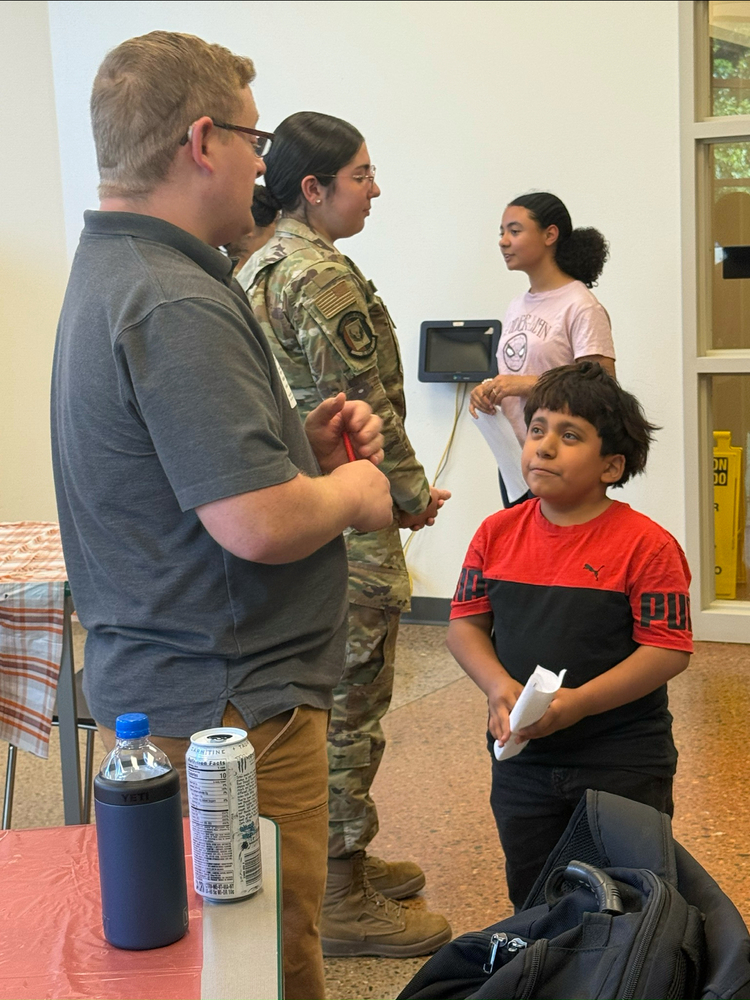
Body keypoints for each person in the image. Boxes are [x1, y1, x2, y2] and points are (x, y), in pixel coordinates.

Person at [50, 32, 393, 1000]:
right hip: (232, 705)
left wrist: (296, 453)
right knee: (265, 962)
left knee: (210, 957)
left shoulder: (122, 268)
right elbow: (257, 525)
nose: (262, 164)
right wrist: (356, 493)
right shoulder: (173, 298)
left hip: (182, 683)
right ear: (203, 142)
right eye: (254, 139)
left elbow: (188, 476)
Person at [238, 111, 452, 958]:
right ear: (314, 187)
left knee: (325, 699)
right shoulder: (318, 275)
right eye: (361, 175)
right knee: (353, 704)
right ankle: (339, 890)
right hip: (348, 520)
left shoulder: (258, 263)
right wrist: (409, 499)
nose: (375, 189)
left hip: (303, 509)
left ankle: (336, 862)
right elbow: (362, 406)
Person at [448, 361, 692, 910]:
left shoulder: (648, 546)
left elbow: (667, 649)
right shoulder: (495, 533)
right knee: (535, 896)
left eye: (570, 435)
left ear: (612, 465)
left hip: (622, 760)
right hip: (523, 760)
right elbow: (465, 625)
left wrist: (579, 703)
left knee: (631, 901)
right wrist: (497, 686)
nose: (545, 446)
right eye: (537, 429)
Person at [469, 192, 616, 507]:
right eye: (501, 232)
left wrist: (520, 384)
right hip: (517, 459)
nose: (503, 242)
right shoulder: (516, 305)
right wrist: (490, 390)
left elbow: (602, 385)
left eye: (514, 231)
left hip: (560, 462)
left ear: (550, 235)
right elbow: (517, 371)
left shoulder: (580, 305)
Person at [224, 182, 280, 271]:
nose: (277, 229)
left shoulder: (215, 272)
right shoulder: (273, 275)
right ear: (249, 228)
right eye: (275, 222)